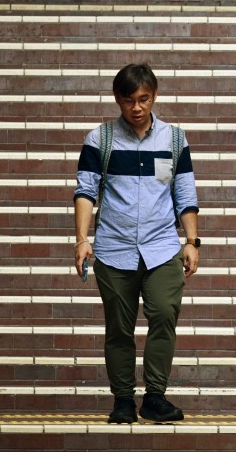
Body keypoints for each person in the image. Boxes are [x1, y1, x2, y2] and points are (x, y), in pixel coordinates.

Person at [73, 64, 200, 424]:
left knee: (163, 313)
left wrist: (192, 241)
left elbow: (184, 193)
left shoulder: (174, 139)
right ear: (118, 100)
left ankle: (155, 396)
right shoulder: (101, 139)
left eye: (143, 99)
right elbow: (85, 192)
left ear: (154, 95)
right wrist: (82, 239)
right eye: (129, 101)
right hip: (114, 249)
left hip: (162, 247)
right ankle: (124, 399)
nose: (137, 108)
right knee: (119, 328)